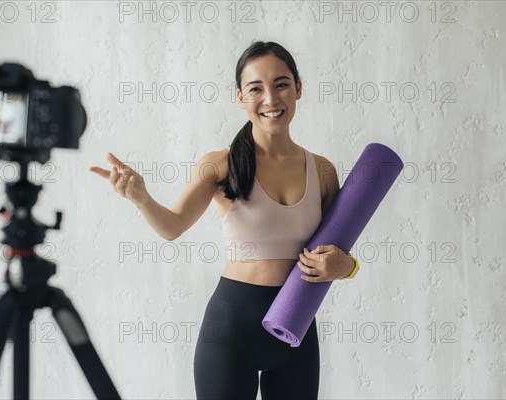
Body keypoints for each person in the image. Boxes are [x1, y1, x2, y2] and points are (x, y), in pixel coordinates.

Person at [89, 40, 358, 399]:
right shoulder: (221, 164)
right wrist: (141, 198)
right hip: (231, 328)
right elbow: (172, 226)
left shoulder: (322, 170)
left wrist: (347, 268)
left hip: (297, 322)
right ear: (240, 97)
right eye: (255, 89)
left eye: (281, 84)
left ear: (298, 88)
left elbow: (337, 251)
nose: (270, 99)